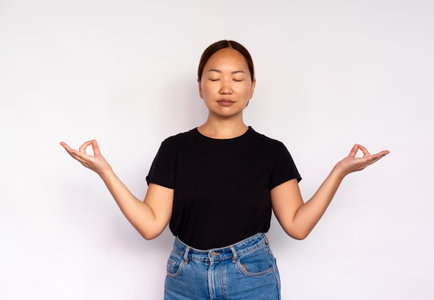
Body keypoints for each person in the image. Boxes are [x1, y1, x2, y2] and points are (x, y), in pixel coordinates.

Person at [60, 40, 389, 299]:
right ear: (200, 87)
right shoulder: (174, 149)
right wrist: (105, 172)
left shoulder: (271, 153)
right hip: (184, 277)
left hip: (251, 277)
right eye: (214, 78)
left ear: (252, 87)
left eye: (237, 78)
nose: (225, 87)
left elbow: (297, 225)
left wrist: (339, 172)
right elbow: (150, 226)